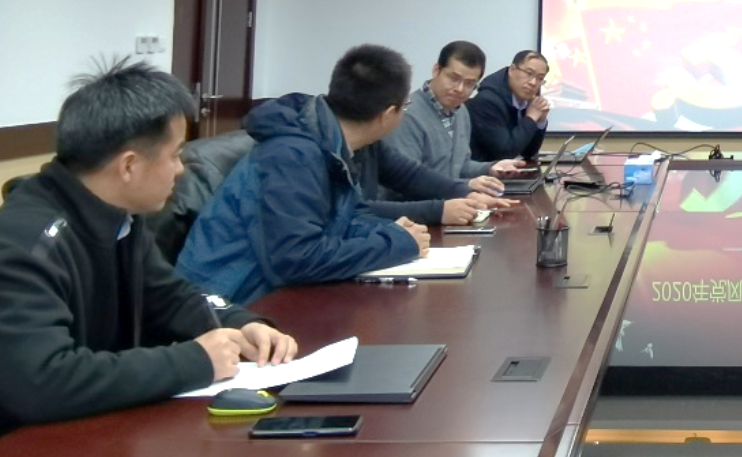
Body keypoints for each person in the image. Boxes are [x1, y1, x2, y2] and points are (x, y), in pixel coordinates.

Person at [0, 59, 297, 457]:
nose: (181, 170)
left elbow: (172, 297)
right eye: (175, 155)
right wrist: (196, 360)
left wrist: (241, 324)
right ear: (129, 166)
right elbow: (47, 382)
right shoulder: (18, 252)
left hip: (63, 437)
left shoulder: (118, 220)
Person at [176, 44, 435, 304]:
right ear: (387, 114)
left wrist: (391, 230)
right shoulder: (293, 155)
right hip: (223, 303)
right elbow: (296, 260)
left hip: (263, 292)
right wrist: (394, 243)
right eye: (405, 106)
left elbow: (345, 219)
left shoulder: (327, 141)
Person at [388, 40, 530, 196]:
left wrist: (490, 168)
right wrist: (465, 186)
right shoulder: (407, 115)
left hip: (450, 202)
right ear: (436, 70)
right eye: (453, 78)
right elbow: (406, 183)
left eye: (470, 83)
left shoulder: (461, 111)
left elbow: (460, 166)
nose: (460, 89)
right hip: (419, 208)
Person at [467, 49, 553, 162]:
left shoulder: (526, 100)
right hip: (483, 170)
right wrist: (531, 118)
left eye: (540, 78)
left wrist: (540, 121)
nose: (533, 83)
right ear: (512, 70)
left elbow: (528, 152)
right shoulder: (487, 101)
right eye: (528, 73)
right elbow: (505, 153)